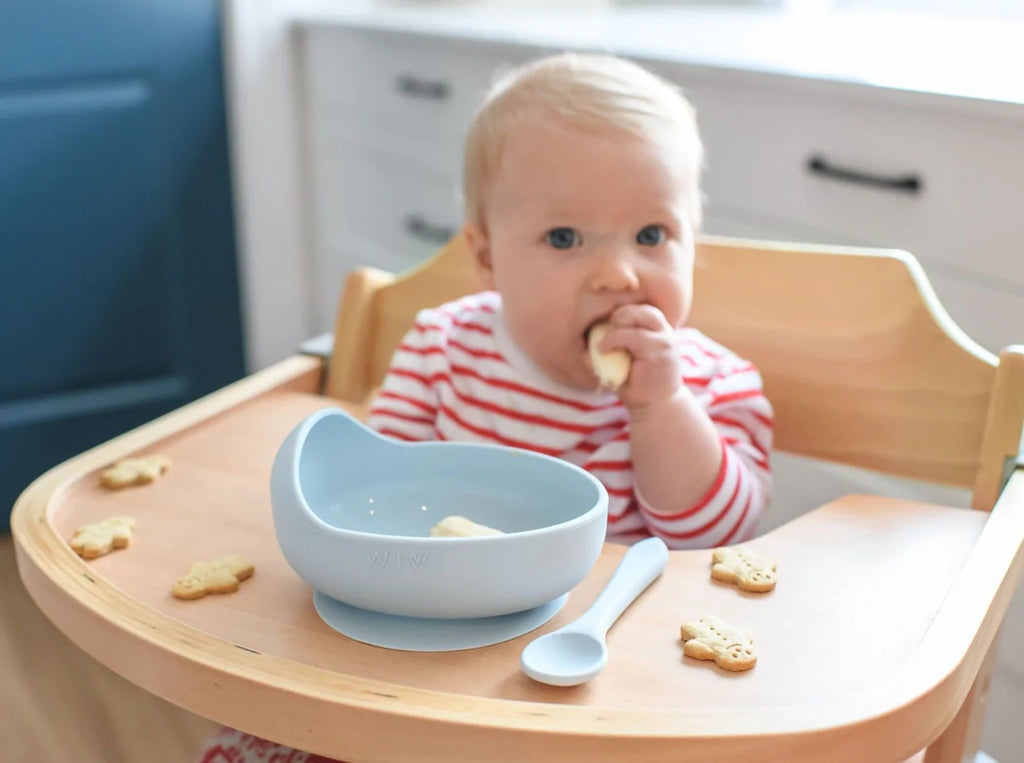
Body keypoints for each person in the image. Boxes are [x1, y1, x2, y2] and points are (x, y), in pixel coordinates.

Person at [193, 51, 772, 763]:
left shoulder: (713, 380)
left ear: (692, 240)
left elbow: (718, 531)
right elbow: (376, 502)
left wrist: (663, 406)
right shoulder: (444, 348)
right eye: (565, 238)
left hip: (608, 678)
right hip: (435, 655)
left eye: (652, 235)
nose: (618, 273)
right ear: (488, 255)